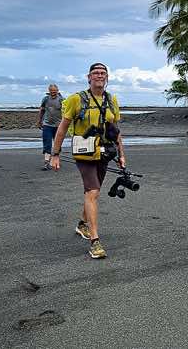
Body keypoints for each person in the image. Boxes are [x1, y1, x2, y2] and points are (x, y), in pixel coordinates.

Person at [51, 63, 125, 259]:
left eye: (103, 73)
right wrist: (55, 153)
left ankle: (82, 224)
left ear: (107, 77)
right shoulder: (76, 99)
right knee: (92, 191)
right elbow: (62, 127)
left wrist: (121, 155)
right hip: (84, 153)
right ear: (89, 77)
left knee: (94, 192)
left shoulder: (112, 100)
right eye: (95, 73)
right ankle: (95, 241)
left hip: (104, 152)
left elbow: (116, 131)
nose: (99, 76)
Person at [37, 84, 64, 171]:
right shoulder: (45, 99)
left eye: (54, 91)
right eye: (51, 91)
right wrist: (39, 121)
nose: (53, 93)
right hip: (47, 124)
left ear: (57, 91)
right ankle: (46, 163)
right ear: (49, 91)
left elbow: (66, 112)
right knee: (47, 143)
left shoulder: (61, 100)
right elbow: (42, 110)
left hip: (58, 126)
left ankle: (56, 159)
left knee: (57, 144)